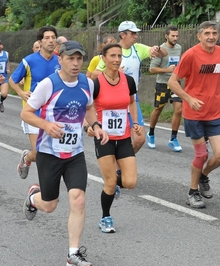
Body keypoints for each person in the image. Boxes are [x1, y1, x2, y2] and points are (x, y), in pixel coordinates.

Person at [21, 40, 108, 266]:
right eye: (71, 58)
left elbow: (89, 107)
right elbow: (27, 113)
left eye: (79, 58)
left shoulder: (87, 83)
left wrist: (95, 125)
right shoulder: (48, 85)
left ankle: (73, 254)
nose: (76, 63)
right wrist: (46, 125)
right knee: (50, 205)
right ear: (60, 59)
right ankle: (33, 198)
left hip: (74, 153)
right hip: (49, 153)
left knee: (78, 200)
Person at [168, 21, 220, 209]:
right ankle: (192, 192)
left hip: (214, 112)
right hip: (194, 113)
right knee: (202, 154)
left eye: (214, 33)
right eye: (207, 33)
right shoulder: (191, 55)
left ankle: (203, 175)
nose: (211, 36)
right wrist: (188, 99)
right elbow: (173, 82)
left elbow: (218, 75)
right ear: (199, 36)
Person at [85, 43, 140, 233]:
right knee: (109, 183)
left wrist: (135, 122)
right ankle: (105, 217)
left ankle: (115, 182)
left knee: (130, 181)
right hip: (104, 138)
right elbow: (87, 108)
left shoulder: (128, 80)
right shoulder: (96, 83)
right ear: (103, 58)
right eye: (112, 56)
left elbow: (132, 102)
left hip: (123, 137)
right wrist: (89, 127)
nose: (117, 59)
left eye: (119, 56)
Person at [93, 21, 167, 154]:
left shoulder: (138, 48)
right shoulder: (113, 52)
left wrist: (157, 49)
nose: (136, 36)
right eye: (132, 33)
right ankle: (116, 164)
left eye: (136, 33)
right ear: (122, 35)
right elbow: (94, 74)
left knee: (139, 139)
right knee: (112, 137)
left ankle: (123, 160)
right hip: (111, 100)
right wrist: (113, 72)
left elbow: (164, 54)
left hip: (131, 99)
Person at [9, 26, 61, 180]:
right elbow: (12, 79)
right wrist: (20, 92)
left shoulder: (60, 60)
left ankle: (47, 188)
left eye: (53, 37)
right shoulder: (29, 60)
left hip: (53, 113)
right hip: (32, 113)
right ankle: (27, 158)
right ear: (40, 41)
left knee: (54, 151)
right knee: (38, 153)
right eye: (47, 38)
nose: (51, 40)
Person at [147, 26, 183, 152]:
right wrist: (167, 70)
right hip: (162, 83)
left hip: (175, 83)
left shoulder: (179, 48)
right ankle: (151, 134)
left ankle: (173, 138)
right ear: (166, 36)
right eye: (172, 36)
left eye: (177, 36)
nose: (175, 38)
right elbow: (152, 69)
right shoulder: (161, 50)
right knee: (158, 109)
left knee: (179, 109)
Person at [0, 39, 11, 117]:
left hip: (3, 77)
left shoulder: (6, 54)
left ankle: (1, 101)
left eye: (0, 44)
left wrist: (8, 68)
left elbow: (8, 62)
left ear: (2, 46)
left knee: (4, 93)